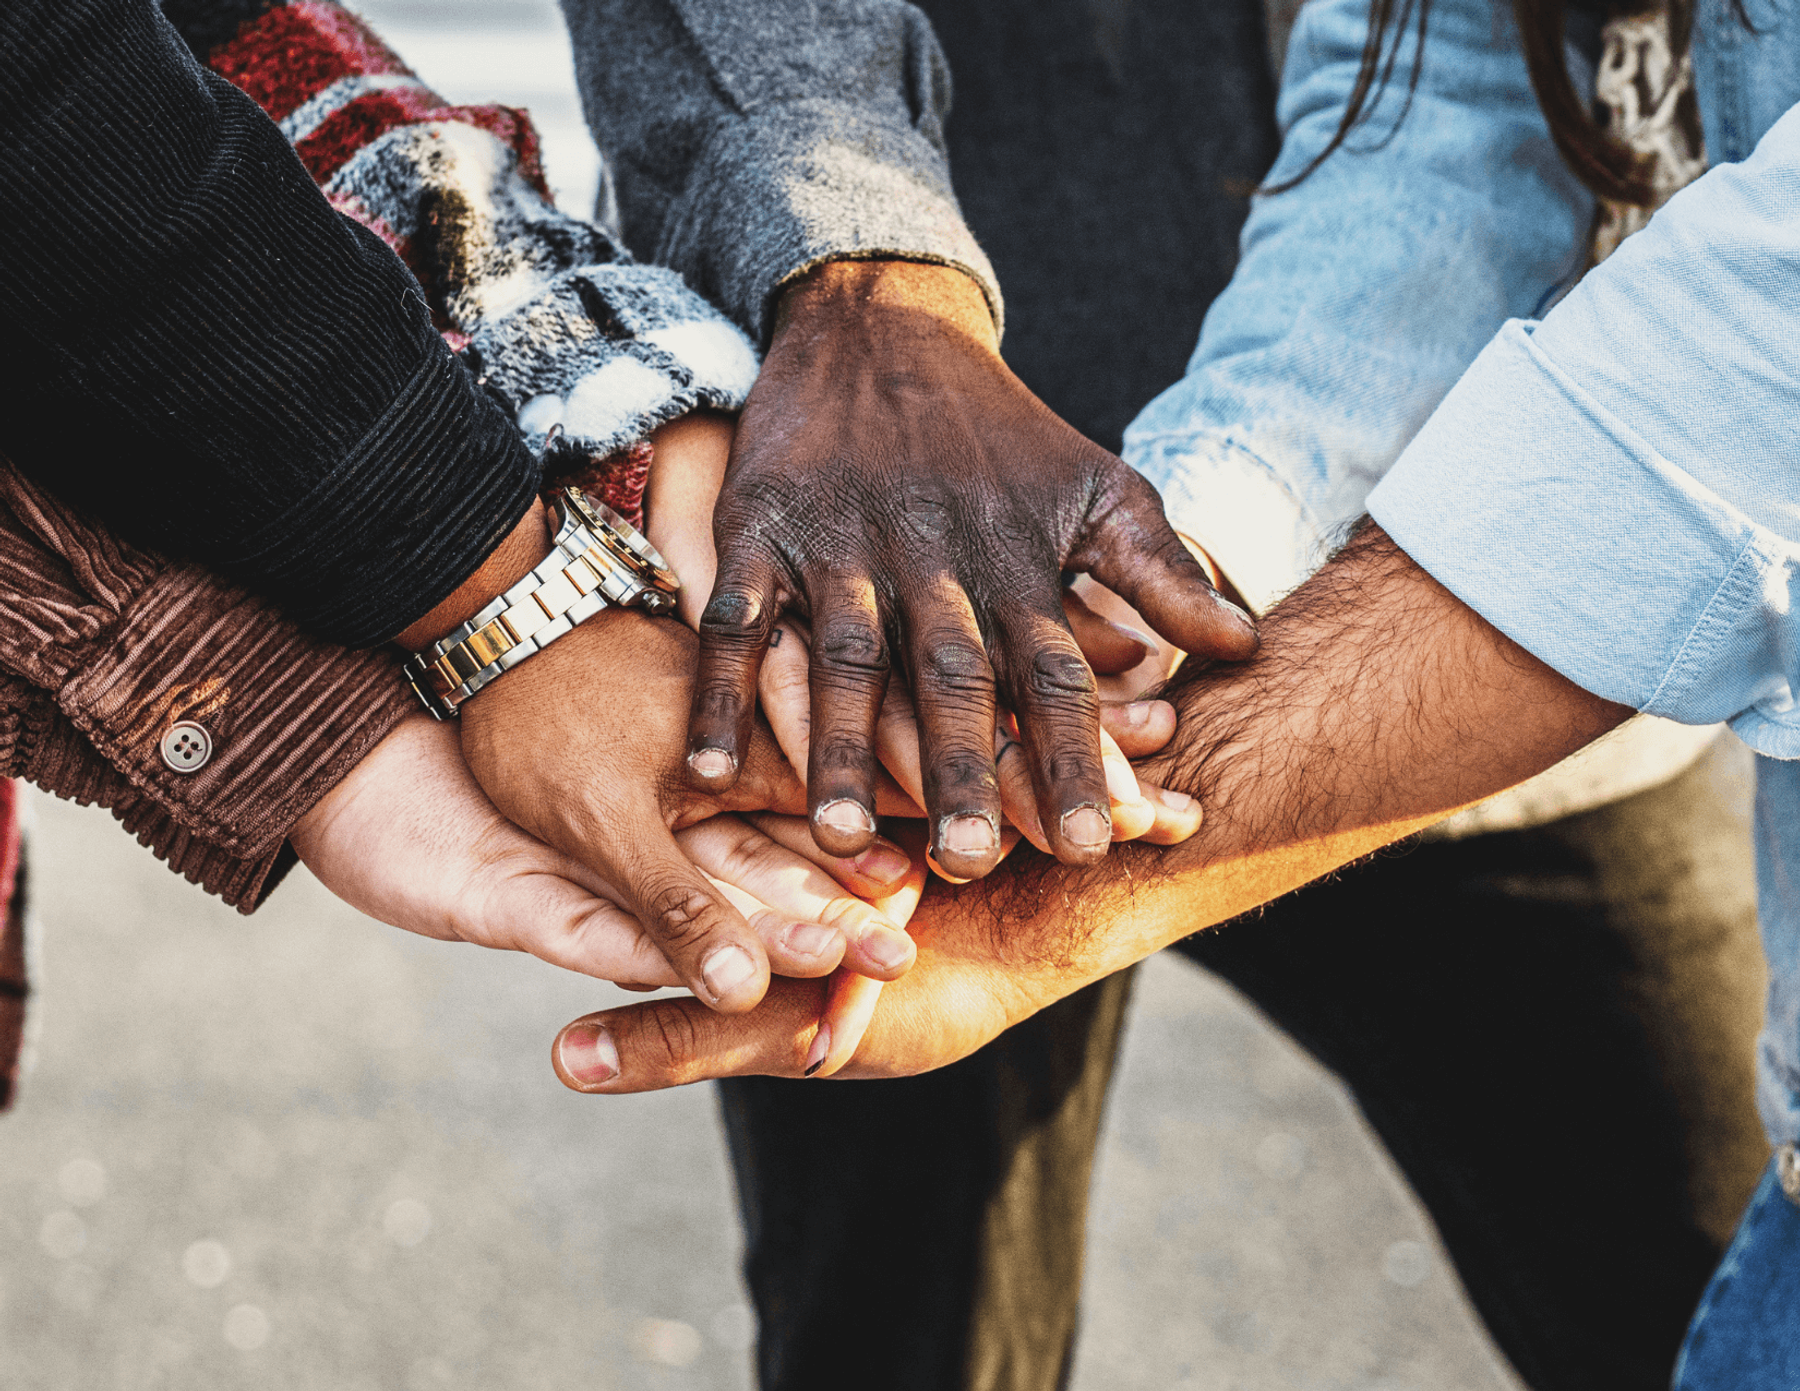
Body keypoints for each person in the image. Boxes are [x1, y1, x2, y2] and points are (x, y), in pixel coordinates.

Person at [547, 1, 1766, 1386]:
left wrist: (1210, 530)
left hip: (1483, 578)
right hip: (892, 563)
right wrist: (849, 258)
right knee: (900, 1342)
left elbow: (1499, 114)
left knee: (1704, 1307)